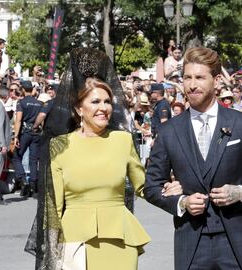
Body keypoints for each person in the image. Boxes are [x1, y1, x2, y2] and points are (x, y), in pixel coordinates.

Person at [24, 48, 182, 270]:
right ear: (79, 108)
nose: (104, 108)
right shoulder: (59, 145)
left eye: (107, 102)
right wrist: (51, 254)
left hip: (121, 242)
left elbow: (143, 186)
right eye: (95, 102)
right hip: (75, 243)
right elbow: (54, 205)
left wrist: (168, 190)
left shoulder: (123, 140)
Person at [144, 47, 242, 270]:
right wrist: (181, 202)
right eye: (187, 78)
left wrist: (241, 192)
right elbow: (151, 186)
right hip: (190, 241)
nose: (191, 85)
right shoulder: (170, 131)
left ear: (216, 80)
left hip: (236, 240)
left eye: (199, 77)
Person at [11, 80, 42, 197]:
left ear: (23, 90)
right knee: (33, 159)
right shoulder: (39, 103)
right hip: (36, 132)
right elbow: (41, 119)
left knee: (16, 156)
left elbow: (18, 120)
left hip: (25, 132)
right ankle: (34, 184)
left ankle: (23, 180)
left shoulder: (21, 102)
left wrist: (15, 136)